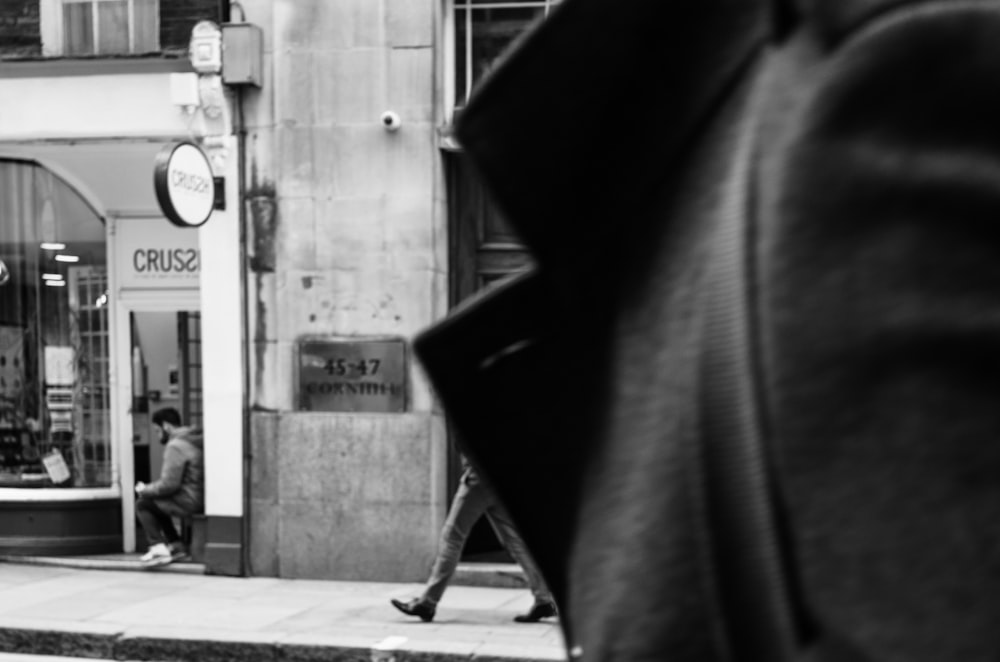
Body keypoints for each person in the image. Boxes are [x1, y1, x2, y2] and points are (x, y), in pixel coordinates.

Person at [391, 462, 557, 623]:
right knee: (515, 541)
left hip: (479, 477)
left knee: (452, 538)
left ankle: (427, 603)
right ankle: (543, 600)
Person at [135, 407, 204, 567]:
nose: (158, 435)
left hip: (189, 499)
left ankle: (158, 548)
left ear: (166, 426)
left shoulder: (176, 446)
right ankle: (177, 546)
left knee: (144, 503)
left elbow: (169, 485)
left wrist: (144, 490)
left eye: (157, 430)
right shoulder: (190, 439)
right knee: (157, 502)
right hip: (198, 495)